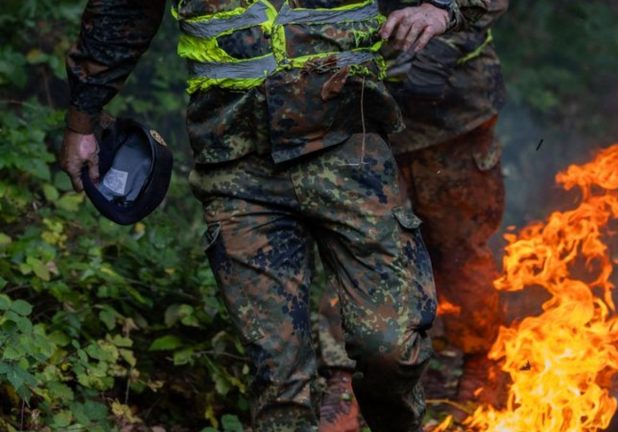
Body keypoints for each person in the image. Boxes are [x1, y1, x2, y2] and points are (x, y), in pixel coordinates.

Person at [58, 1, 462, 430]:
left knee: (392, 349)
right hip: (235, 165)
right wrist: (81, 122)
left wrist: (443, 8)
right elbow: (121, 13)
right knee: (279, 375)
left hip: (350, 150)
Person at [316, 0, 509, 428]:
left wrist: (441, 42)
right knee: (352, 243)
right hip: (357, 111)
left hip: (452, 111)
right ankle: (341, 380)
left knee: (460, 249)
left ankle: (481, 363)